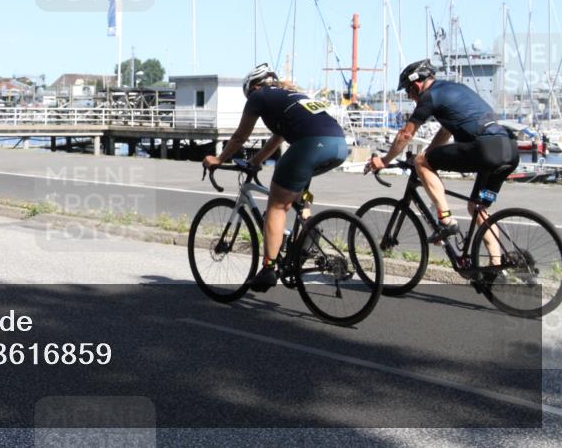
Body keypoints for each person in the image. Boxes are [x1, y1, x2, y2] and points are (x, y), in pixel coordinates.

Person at [203, 63, 349, 292]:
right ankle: (307, 233)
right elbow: (277, 139)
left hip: (312, 144)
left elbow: (241, 136)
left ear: (253, 86)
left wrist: (219, 159)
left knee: (277, 206)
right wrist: (256, 161)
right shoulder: (290, 96)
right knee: (297, 191)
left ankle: (269, 268)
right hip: (339, 145)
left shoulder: (258, 96)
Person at [363, 59, 519, 258]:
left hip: (486, 149)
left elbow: (405, 134)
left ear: (417, 85)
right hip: (509, 151)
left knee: (421, 161)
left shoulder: (429, 96)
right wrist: (426, 156)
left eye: (408, 92)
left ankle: (445, 221)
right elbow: (445, 133)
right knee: (477, 208)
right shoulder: (455, 89)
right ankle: (497, 265)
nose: (410, 98)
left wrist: (384, 161)